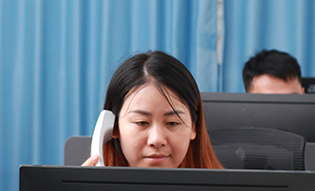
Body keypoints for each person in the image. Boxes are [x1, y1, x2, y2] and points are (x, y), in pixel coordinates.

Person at [82, 51, 223, 169]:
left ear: (193, 127)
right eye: (142, 122)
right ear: (114, 126)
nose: (157, 140)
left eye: (172, 123)